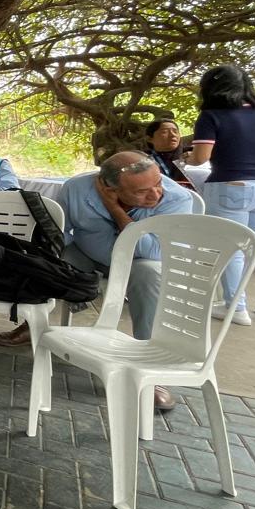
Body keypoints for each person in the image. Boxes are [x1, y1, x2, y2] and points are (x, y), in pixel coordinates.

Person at [56, 151, 194, 410]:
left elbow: (152, 251)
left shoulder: (177, 199)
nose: (156, 194)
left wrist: (116, 210)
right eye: (142, 191)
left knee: (149, 273)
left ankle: (151, 372)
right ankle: (33, 323)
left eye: (158, 183)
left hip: (139, 263)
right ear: (109, 188)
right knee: (50, 255)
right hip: (89, 256)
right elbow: (59, 231)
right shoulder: (76, 189)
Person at [186, 64, 255, 326]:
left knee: (232, 249)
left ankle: (235, 308)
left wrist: (188, 157)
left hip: (230, 187)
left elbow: (201, 157)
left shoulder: (212, 115)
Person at [145, 118, 196, 190]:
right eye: (164, 132)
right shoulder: (142, 158)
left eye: (175, 131)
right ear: (149, 139)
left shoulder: (193, 154)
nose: (172, 135)